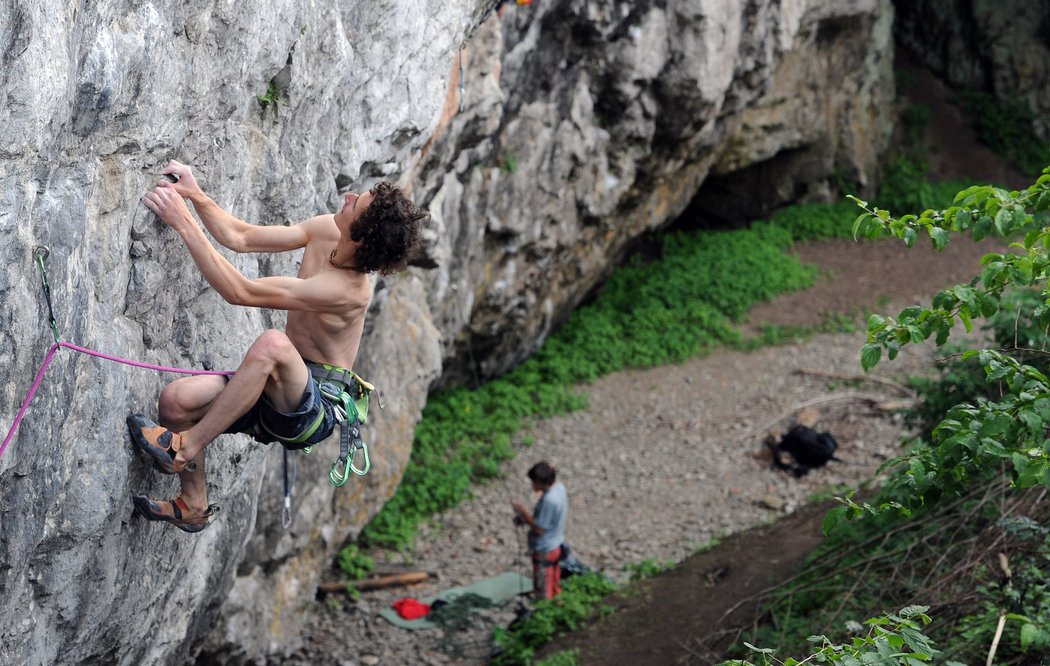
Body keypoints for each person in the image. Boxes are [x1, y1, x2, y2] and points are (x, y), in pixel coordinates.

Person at [132, 159, 426, 532]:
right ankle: (193, 502)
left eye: (357, 202)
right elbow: (242, 237)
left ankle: (183, 449)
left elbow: (240, 292)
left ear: (361, 238)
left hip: (311, 408)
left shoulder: (348, 291)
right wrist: (195, 195)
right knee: (176, 402)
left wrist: (183, 222)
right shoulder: (326, 229)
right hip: (276, 383)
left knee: (273, 343)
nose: (349, 195)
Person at [511, 462, 568, 600]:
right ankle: (559, 609)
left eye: (533, 482)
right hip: (556, 545)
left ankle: (546, 616)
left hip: (544, 550)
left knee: (543, 592)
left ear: (541, 482)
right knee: (555, 587)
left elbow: (539, 529)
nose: (532, 486)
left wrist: (524, 513)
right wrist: (526, 519)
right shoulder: (560, 488)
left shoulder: (549, 500)